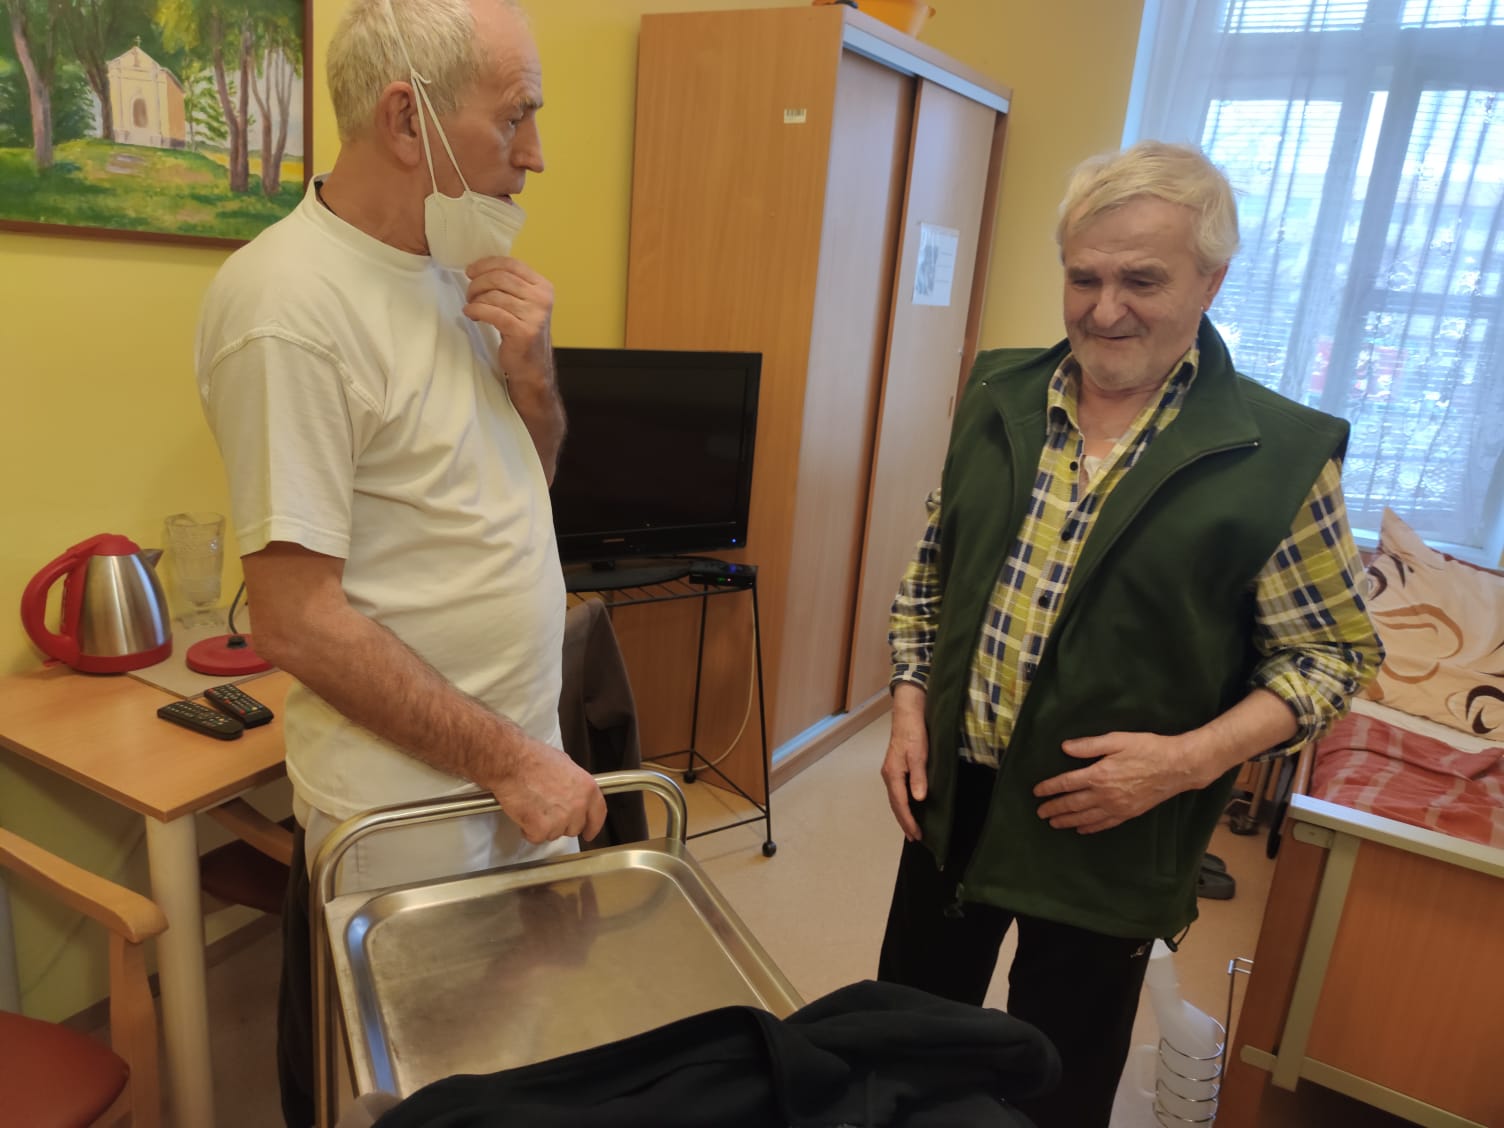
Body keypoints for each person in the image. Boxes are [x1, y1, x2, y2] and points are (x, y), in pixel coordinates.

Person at [877, 141, 1383, 1128]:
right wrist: (907, 703)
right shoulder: (998, 395)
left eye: (1142, 281)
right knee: (901, 1049)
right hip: (951, 797)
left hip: (1110, 824)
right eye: (1084, 277)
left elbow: (1332, 655)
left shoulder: (1277, 457)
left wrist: (1186, 762)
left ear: (1211, 280)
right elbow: (932, 571)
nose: (1105, 310)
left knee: (1054, 1083)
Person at [193, 1, 604, 1123]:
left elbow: (524, 485)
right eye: (515, 117)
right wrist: (513, 764)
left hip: (512, 763)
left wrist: (534, 380)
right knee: (411, 1093)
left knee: (507, 1068)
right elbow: (294, 619)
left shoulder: (452, 265)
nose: (535, 152)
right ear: (405, 119)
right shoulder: (286, 308)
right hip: (412, 810)